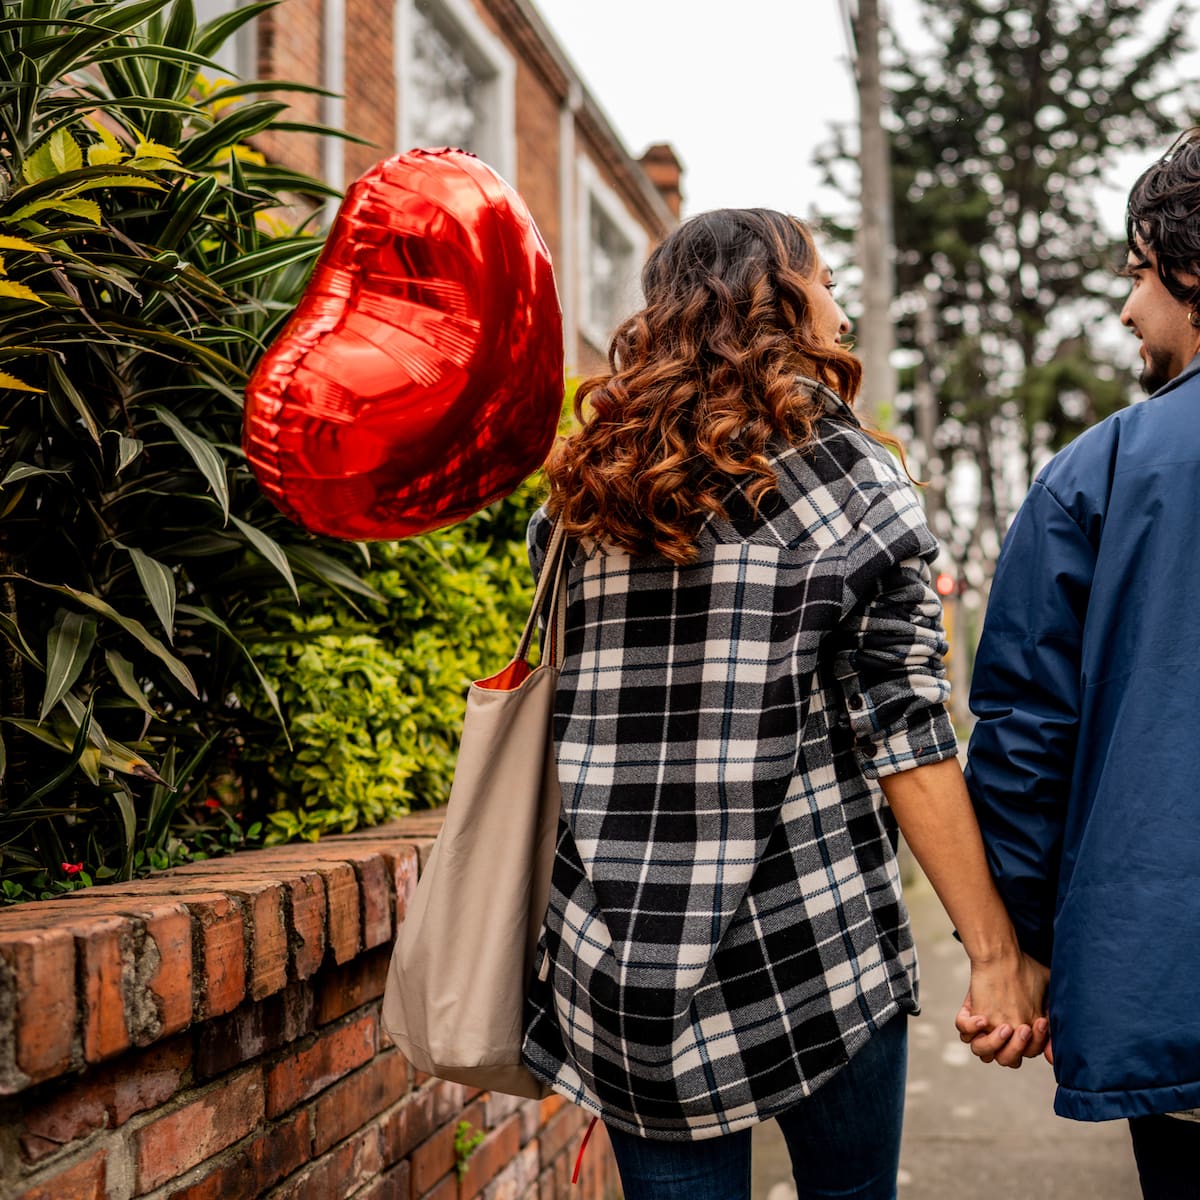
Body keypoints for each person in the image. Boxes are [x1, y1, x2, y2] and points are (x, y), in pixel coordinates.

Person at [519, 208, 1047, 1200]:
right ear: (781, 300)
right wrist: (994, 954)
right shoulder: (847, 480)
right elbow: (907, 733)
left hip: (622, 965)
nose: (841, 310)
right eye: (828, 283)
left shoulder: (581, 498)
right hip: (813, 945)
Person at [958, 130, 1200, 1200]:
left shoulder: (1096, 477)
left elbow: (1024, 740)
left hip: (1174, 982)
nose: (1128, 310)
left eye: (1140, 274)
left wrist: (1022, 954)